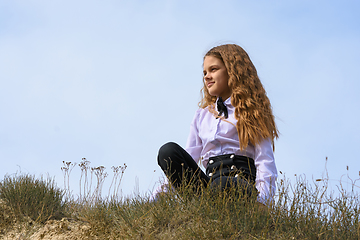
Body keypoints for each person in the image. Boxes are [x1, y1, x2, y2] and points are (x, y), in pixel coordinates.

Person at [151, 44, 279, 205]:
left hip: (239, 186)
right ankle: (202, 205)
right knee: (168, 151)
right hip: (209, 184)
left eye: (213, 69)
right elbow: (190, 156)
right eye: (204, 72)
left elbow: (264, 161)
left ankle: (214, 205)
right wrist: (157, 196)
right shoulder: (201, 116)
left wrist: (263, 201)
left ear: (232, 71)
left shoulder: (253, 112)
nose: (206, 76)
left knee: (222, 184)